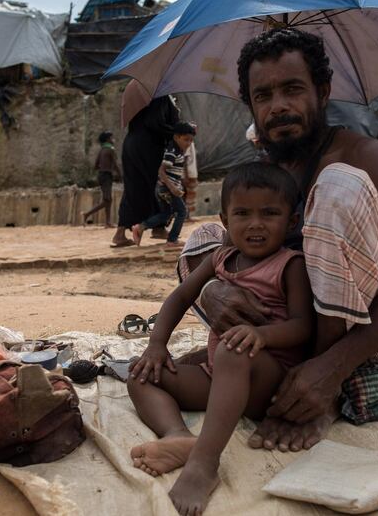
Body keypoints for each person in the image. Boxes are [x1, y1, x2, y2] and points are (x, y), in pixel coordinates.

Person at [177, 28, 378, 455]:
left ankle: (325, 395)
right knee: (205, 237)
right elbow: (229, 254)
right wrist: (212, 290)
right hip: (293, 329)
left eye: (292, 89)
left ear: (322, 92)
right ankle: (284, 376)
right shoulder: (267, 170)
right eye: (263, 96)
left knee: (334, 186)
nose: (278, 106)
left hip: (371, 336)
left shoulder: (361, 154)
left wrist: (331, 369)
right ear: (251, 107)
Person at [128, 162, 314, 515]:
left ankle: (204, 463)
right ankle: (178, 436)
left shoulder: (291, 265)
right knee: (141, 374)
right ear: (225, 221)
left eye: (270, 213)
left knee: (233, 347)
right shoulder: (220, 257)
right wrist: (156, 346)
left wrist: (260, 333)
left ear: (291, 222)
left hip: (266, 382)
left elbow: (303, 327)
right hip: (219, 376)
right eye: (242, 213)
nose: (255, 224)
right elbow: (179, 298)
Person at [112, 95, 179, 247]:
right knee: (155, 186)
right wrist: (177, 131)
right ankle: (158, 228)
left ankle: (121, 233)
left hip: (132, 144)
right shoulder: (159, 96)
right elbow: (155, 123)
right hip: (147, 147)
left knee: (134, 188)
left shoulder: (140, 95)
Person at [132, 121, 196, 246]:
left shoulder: (176, 149)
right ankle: (172, 239)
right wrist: (172, 188)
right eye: (186, 140)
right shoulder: (172, 151)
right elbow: (161, 170)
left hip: (162, 188)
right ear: (176, 137)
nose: (188, 143)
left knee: (166, 213)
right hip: (166, 188)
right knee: (182, 212)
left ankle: (140, 227)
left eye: (190, 141)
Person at [81, 131, 119, 227]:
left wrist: (102, 169)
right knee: (107, 199)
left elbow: (96, 165)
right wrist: (120, 174)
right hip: (106, 175)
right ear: (107, 140)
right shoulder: (110, 149)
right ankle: (87, 214)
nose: (113, 139)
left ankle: (107, 222)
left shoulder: (102, 150)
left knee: (107, 200)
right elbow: (115, 164)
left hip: (102, 175)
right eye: (111, 138)